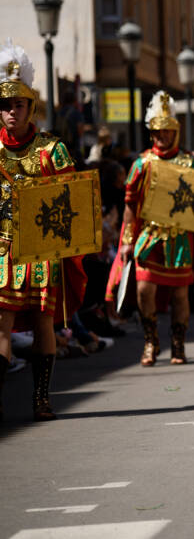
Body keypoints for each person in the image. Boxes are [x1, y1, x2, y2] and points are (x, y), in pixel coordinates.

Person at [0, 40, 86, 420]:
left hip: (41, 252)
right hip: (3, 250)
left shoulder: (53, 150)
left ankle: (41, 398)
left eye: (18, 105)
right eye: (4, 105)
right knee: (1, 325)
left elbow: (74, 202)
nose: (10, 112)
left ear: (30, 107)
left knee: (42, 322)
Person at [110, 91, 194, 366]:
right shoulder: (141, 164)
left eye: (167, 131)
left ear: (175, 131)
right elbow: (130, 205)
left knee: (179, 294)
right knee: (144, 290)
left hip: (178, 238)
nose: (162, 136)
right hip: (150, 236)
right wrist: (127, 239)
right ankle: (151, 341)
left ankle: (178, 343)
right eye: (158, 131)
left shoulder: (191, 163)